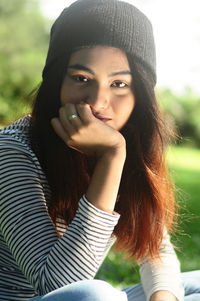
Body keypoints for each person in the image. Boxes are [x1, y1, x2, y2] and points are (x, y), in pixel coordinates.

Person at [0, 0, 199, 300]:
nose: (97, 100)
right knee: (94, 295)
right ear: (57, 83)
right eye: (82, 79)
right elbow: (58, 286)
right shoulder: (13, 151)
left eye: (119, 83)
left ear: (140, 95)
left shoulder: (125, 143)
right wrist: (111, 158)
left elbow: (156, 250)